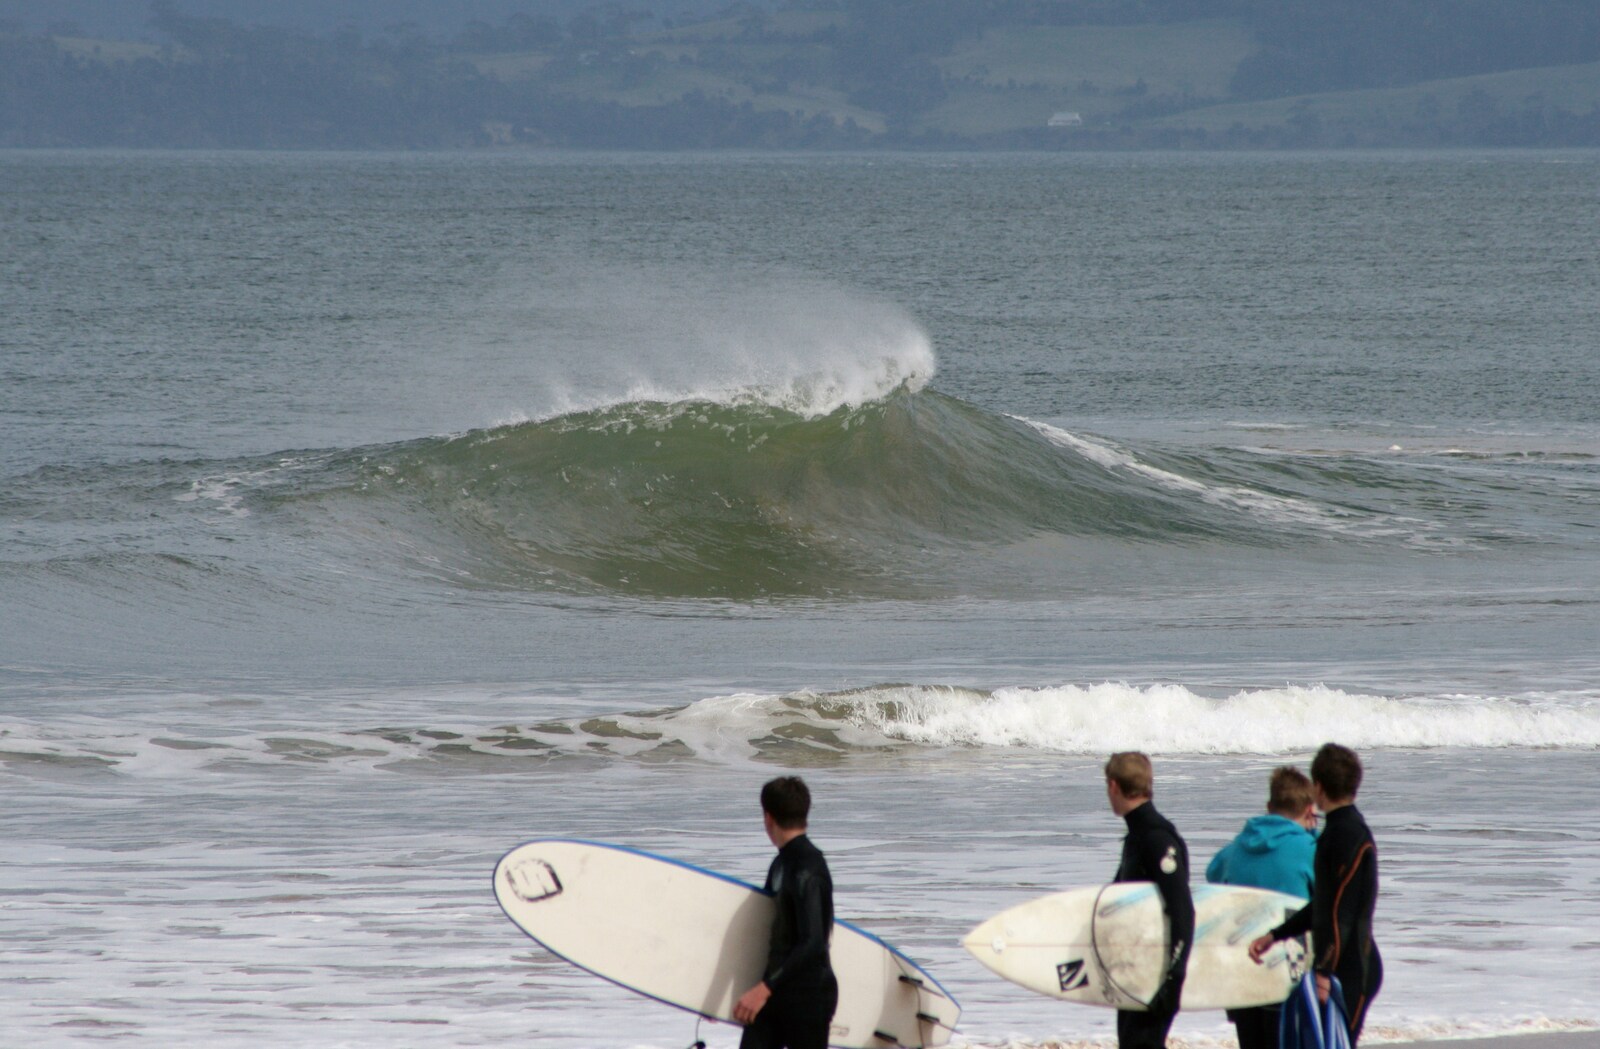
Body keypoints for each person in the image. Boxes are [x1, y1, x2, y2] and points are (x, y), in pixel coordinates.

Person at [1249, 743, 1382, 1045]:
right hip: (1348, 962)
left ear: (1318, 787)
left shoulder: (1344, 835)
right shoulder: (1341, 830)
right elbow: (1322, 906)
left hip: (1350, 969)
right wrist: (1275, 935)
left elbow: (1340, 912)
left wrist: (1324, 970)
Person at [1206, 766, 1318, 1049]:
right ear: (1309, 810)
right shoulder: (1309, 849)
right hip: (1288, 974)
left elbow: (1213, 873)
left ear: (1269, 807)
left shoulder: (1237, 848)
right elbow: (1329, 897)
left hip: (1243, 973)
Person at [733, 776, 837, 1049]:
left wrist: (764, 989)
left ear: (768, 818)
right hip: (776, 991)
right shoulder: (780, 864)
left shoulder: (808, 866)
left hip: (809, 996)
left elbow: (814, 941)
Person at [1105, 752, 1194, 1049]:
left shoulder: (1156, 839)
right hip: (1135, 968)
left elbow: (1183, 909)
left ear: (1113, 786)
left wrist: (1173, 978)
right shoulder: (1137, 837)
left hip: (1155, 974)